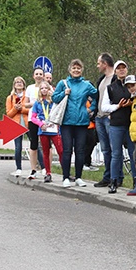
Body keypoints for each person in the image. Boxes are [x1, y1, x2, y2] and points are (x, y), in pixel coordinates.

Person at [52, 59, 97, 188]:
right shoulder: (63, 83)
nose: (76, 70)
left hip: (82, 122)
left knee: (80, 150)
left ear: (82, 70)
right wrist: (63, 93)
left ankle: (78, 177)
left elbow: (96, 96)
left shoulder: (87, 85)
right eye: (74, 68)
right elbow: (54, 98)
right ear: (69, 70)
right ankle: (66, 177)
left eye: (78, 68)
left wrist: (91, 108)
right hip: (66, 121)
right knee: (67, 150)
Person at [103, 60, 134, 193]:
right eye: (119, 68)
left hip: (131, 124)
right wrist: (118, 106)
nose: (121, 70)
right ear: (115, 71)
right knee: (116, 154)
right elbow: (104, 107)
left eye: (124, 68)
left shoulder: (133, 84)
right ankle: (113, 181)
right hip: (116, 124)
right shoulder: (110, 88)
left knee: (134, 154)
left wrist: (131, 103)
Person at [29, 81, 64, 183]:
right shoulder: (37, 103)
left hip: (54, 129)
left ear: (50, 90)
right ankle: (48, 173)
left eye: (46, 88)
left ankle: (65, 172)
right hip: (43, 130)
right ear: (40, 91)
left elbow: (59, 112)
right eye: (42, 88)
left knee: (60, 150)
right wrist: (40, 124)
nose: (44, 90)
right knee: (46, 151)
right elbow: (33, 117)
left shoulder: (53, 102)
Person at [92, 53, 116, 187]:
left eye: (98, 63)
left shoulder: (115, 79)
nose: (97, 66)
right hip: (100, 118)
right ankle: (107, 176)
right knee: (105, 149)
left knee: (114, 149)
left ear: (105, 64)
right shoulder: (101, 80)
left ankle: (115, 177)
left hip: (109, 118)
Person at [23, 67, 46, 180]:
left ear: (43, 75)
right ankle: (33, 169)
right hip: (33, 118)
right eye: (36, 74)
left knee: (47, 144)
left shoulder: (47, 87)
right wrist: (35, 103)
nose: (38, 76)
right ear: (33, 76)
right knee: (34, 144)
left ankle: (47, 168)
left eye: (40, 74)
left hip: (45, 119)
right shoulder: (30, 88)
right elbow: (25, 104)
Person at [5, 76, 28, 177]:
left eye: (21, 82)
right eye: (17, 82)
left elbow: (31, 110)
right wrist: (15, 109)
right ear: (14, 85)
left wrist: (21, 109)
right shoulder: (10, 98)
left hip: (27, 123)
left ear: (24, 85)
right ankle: (18, 168)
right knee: (18, 147)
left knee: (35, 145)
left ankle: (41, 167)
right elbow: (8, 114)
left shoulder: (27, 96)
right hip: (16, 124)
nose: (19, 83)